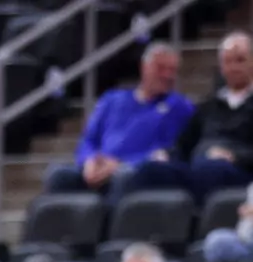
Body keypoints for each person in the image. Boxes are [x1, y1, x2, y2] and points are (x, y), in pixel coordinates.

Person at [45, 42, 192, 200]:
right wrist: (89, 161)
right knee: (59, 175)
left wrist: (120, 164)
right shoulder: (111, 100)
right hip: (99, 168)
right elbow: (89, 140)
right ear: (144, 67)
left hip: (135, 172)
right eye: (161, 68)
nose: (167, 76)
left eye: (172, 71)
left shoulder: (179, 107)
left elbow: (166, 152)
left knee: (124, 176)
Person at [130, 33, 253, 203]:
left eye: (240, 60)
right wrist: (165, 155)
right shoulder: (207, 106)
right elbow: (184, 144)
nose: (233, 67)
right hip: (198, 166)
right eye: (228, 61)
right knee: (150, 170)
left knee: (211, 169)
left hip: (235, 170)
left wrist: (234, 156)